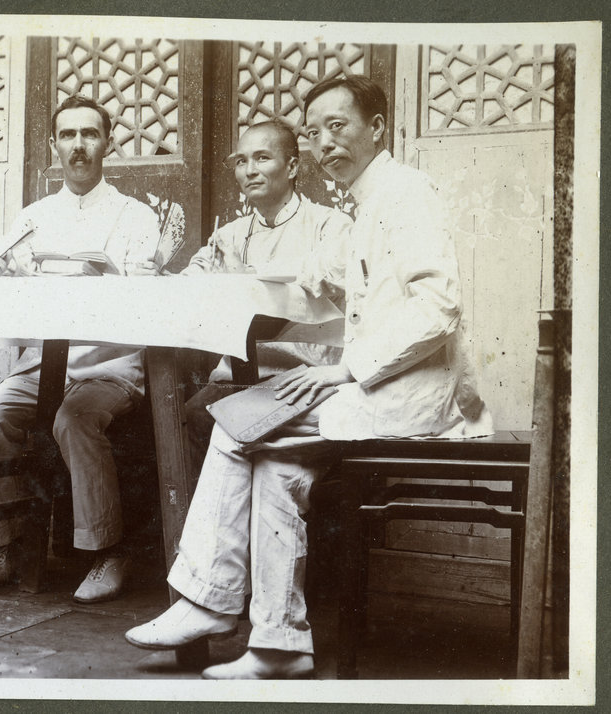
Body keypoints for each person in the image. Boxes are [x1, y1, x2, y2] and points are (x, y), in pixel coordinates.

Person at [125, 75, 493, 678]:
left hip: (415, 394)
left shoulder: (406, 194)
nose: (325, 143)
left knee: (237, 421)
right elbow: (350, 275)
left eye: (337, 126)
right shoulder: (367, 204)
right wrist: (314, 273)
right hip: (382, 386)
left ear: (377, 128)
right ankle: (280, 646)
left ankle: (208, 601)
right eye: (315, 131)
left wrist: (347, 369)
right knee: (278, 468)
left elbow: (438, 306)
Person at [0, 95, 160, 604]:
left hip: (110, 364)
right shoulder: (33, 217)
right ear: (54, 144)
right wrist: (3, 276)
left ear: (108, 143)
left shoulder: (136, 217)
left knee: (73, 419)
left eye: (89, 134)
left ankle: (107, 552)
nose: (79, 145)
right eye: (68, 135)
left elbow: (144, 303)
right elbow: (0, 292)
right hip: (43, 365)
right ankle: (15, 544)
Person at [178, 118, 350, 469]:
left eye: (262, 158)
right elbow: (189, 284)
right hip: (237, 377)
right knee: (190, 416)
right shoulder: (230, 234)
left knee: (237, 427)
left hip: (303, 375)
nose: (249, 171)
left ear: (292, 166)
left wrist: (243, 277)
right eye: (241, 161)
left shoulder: (329, 225)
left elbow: (329, 282)